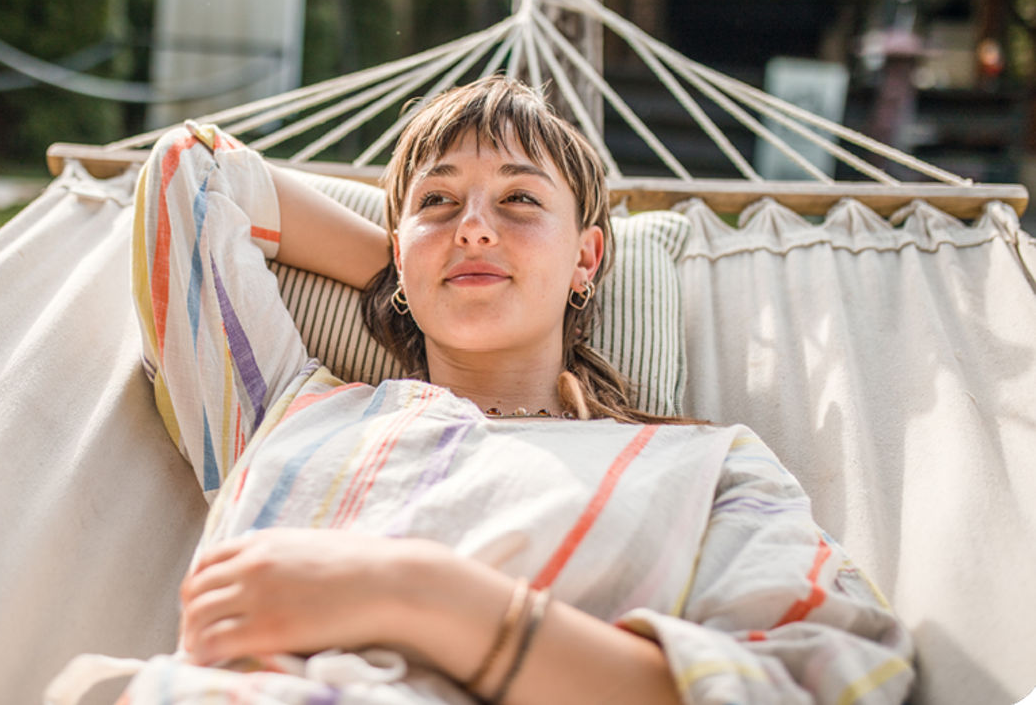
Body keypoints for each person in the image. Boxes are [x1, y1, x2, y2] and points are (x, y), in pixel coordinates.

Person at [120, 77, 914, 705]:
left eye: (520, 200)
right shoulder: (288, 410)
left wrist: (431, 598)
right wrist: (409, 279)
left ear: (587, 258)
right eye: (438, 202)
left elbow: (825, 679)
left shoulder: (708, 465)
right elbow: (194, 174)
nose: (472, 225)